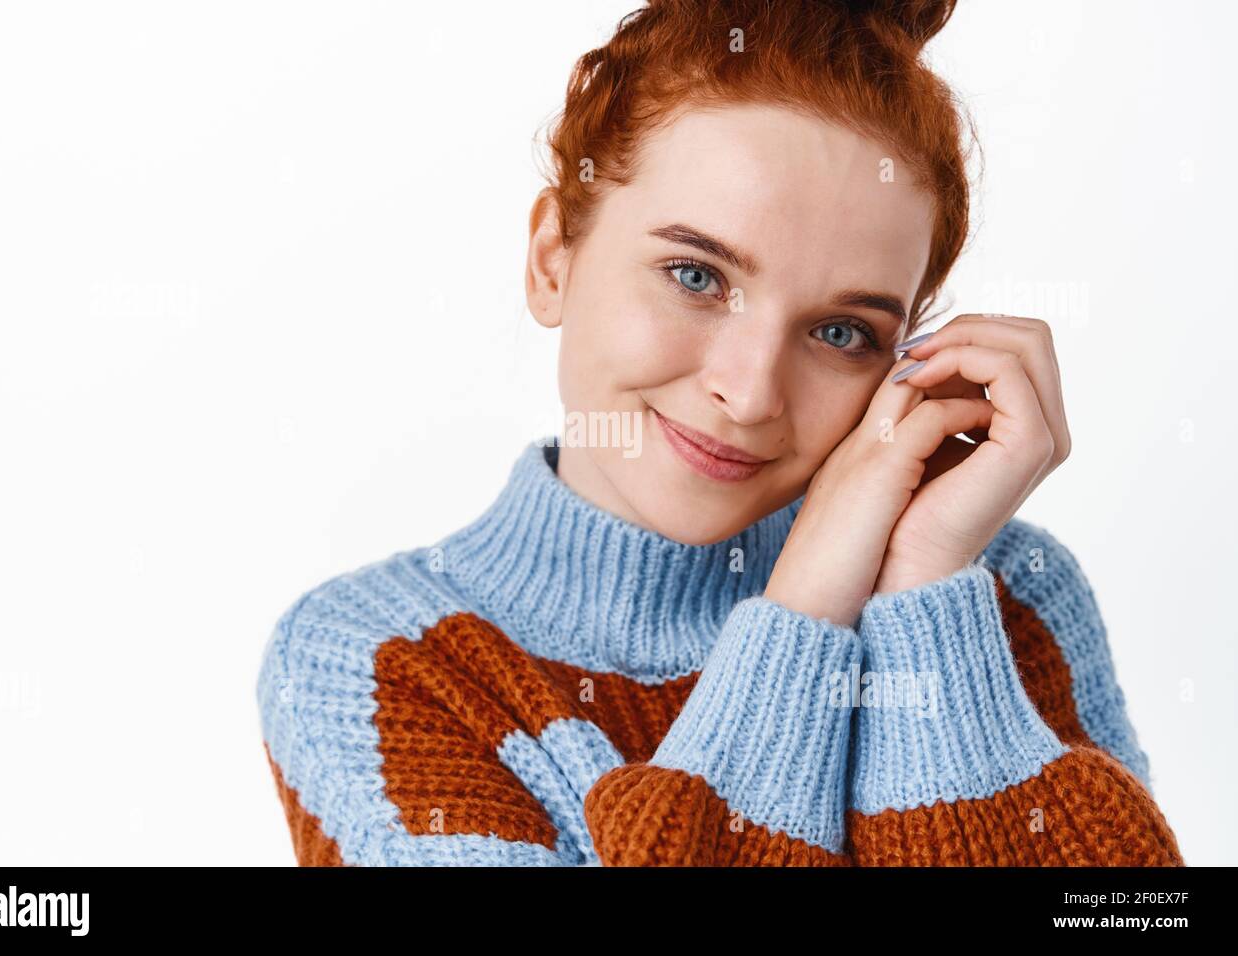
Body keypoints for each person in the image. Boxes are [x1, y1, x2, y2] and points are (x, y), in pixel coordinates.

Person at [256, 0, 1184, 866]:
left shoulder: (1000, 600)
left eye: (841, 333)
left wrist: (925, 603)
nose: (748, 393)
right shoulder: (380, 663)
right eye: (696, 276)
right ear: (552, 260)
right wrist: (805, 611)